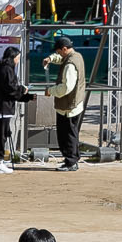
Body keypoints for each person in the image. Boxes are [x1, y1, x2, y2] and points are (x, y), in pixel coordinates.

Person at [0, 44, 29, 174]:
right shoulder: (7, 70)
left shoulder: (0, 69)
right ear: (13, 57)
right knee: (1, 136)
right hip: (2, 108)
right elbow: (10, 89)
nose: (18, 60)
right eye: (18, 58)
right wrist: (22, 90)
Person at [46, 35, 87, 170]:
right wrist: (51, 58)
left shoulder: (70, 64)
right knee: (71, 134)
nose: (58, 54)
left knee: (67, 135)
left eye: (58, 51)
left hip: (68, 106)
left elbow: (66, 88)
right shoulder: (77, 56)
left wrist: (50, 91)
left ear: (64, 49)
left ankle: (70, 161)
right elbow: (62, 59)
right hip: (75, 103)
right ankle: (72, 160)